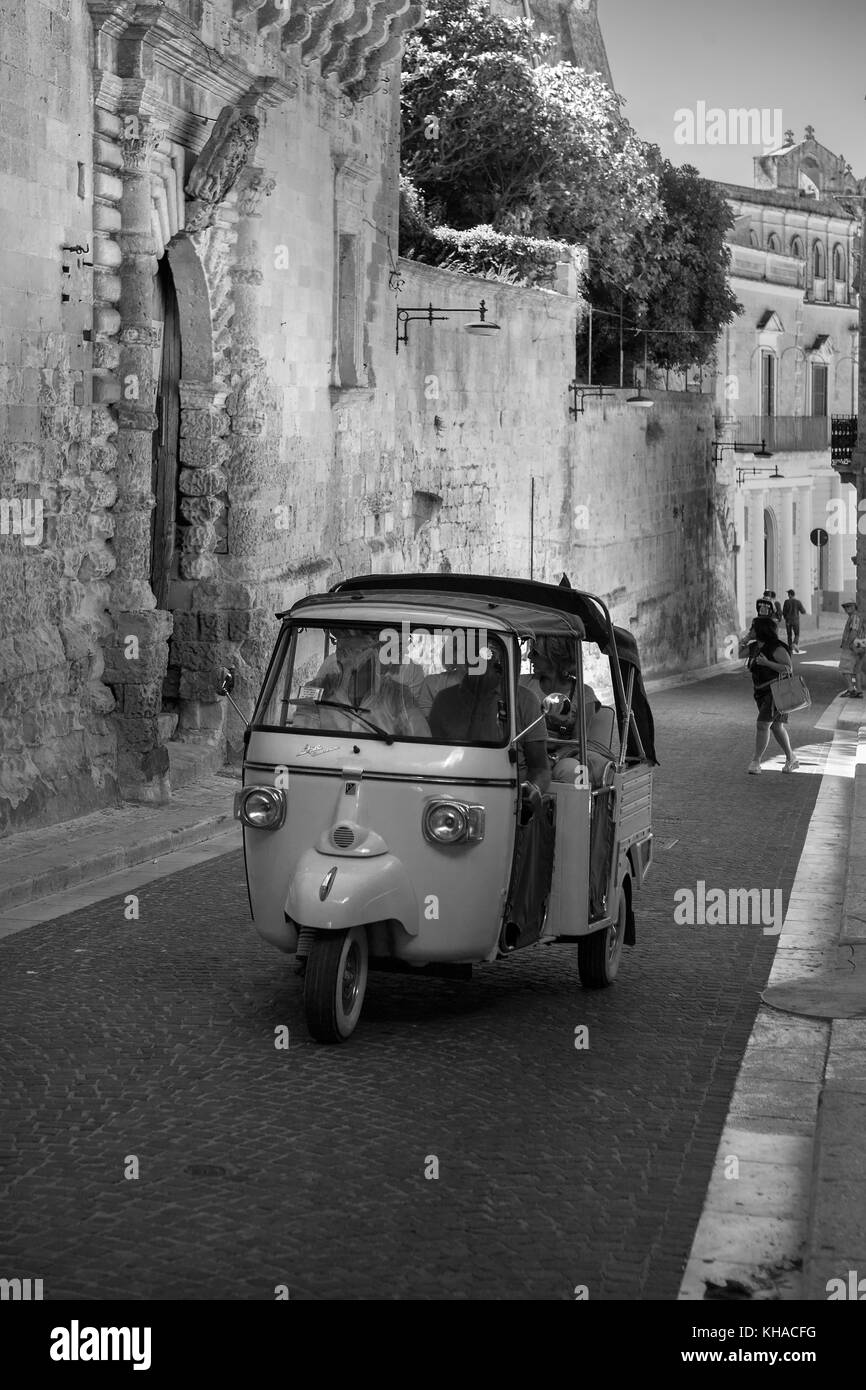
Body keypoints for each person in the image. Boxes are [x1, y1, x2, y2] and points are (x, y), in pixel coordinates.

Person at [429, 646, 551, 795]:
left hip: (508, 791)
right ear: (466, 661)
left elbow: (540, 767)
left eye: (492, 659)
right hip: (451, 790)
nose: (482, 664)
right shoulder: (445, 700)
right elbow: (431, 757)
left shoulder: (525, 700)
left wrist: (532, 791)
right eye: (477, 657)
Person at [299, 628, 430, 736]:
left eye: (351, 650)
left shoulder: (398, 695)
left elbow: (421, 742)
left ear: (374, 652)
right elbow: (301, 739)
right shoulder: (314, 688)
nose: (342, 655)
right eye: (340, 648)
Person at [746, 615, 799, 773]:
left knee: (762, 725)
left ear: (761, 630)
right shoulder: (755, 646)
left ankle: (756, 762)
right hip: (760, 692)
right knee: (776, 726)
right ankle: (792, 758)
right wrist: (746, 639)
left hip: (775, 691)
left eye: (752, 628)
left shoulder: (776, 647)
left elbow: (788, 668)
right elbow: (734, 653)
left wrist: (767, 663)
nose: (750, 630)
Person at [839, 600, 865, 698]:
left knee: (844, 668)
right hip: (861, 646)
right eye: (845, 607)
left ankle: (851, 690)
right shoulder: (858, 616)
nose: (846, 608)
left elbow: (854, 631)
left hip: (852, 646)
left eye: (849, 606)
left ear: (855, 606)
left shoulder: (854, 617)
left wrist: (847, 644)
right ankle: (859, 691)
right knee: (856, 670)